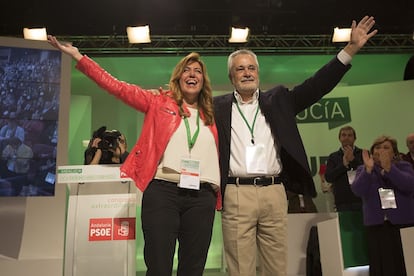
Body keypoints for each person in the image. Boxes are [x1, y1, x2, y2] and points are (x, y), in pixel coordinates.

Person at [213, 16, 377, 276]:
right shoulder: (217, 108)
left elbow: (316, 86)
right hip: (236, 194)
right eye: (240, 69)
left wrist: (351, 49)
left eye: (251, 68)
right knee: (240, 270)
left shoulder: (277, 100)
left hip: (275, 192)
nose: (247, 73)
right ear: (231, 77)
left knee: (278, 268)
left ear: (258, 72)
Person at [48, 36, 221, 276]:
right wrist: (79, 57)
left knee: (193, 269)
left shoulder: (213, 113)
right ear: (178, 77)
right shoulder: (157, 102)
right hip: (163, 192)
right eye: (186, 70)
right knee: (159, 267)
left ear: (203, 80)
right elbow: (117, 87)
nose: (192, 74)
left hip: (202, 197)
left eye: (198, 71)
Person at [351, 135, 414, 276]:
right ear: (373, 152)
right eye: (378, 147)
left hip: (402, 224)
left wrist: (390, 169)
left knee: (404, 265)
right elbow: (357, 190)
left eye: (386, 147)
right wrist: (368, 170)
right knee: (380, 266)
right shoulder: (364, 169)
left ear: (394, 153)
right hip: (377, 225)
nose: (381, 150)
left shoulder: (404, 166)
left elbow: (409, 186)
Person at [325, 126, 363, 211]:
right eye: (344, 135)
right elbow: (328, 177)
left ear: (354, 138)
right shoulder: (333, 157)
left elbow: (367, 173)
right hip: (342, 201)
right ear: (339, 138)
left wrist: (353, 160)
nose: (346, 138)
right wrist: (343, 165)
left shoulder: (363, 153)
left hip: (361, 199)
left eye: (350, 135)